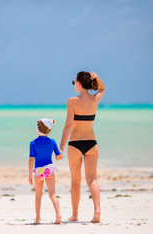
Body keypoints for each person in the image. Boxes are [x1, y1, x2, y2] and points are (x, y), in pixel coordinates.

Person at [59, 71, 105, 223]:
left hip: (75, 144)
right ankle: (97, 210)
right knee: (92, 179)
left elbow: (68, 125)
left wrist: (61, 147)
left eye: (74, 82)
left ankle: (75, 215)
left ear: (78, 83)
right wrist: (96, 77)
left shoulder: (72, 101)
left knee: (75, 181)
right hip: (92, 143)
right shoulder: (95, 99)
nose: (74, 85)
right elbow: (103, 89)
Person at [28, 118, 63, 224]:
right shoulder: (52, 142)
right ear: (49, 130)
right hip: (49, 170)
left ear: (37, 129)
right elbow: (58, 156)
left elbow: (31, 159)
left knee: (38, 195)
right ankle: (58, 215)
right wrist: (60, 155)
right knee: (52, 194)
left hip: (39, 171)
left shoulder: (33, 143)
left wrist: (30, 174)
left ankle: (38, 218)